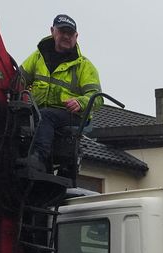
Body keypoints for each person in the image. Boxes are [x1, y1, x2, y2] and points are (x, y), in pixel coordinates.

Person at [19, 14, 101, 174]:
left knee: (46, 116)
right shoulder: (37, 57)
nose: (66, 36)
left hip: (72, 115)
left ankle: (38, 158)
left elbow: (96, 98)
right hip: (38, 111)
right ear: (52, 31)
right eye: (62, 31)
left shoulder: (84, 66)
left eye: (70, 33)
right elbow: (18, 79)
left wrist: (80, 102)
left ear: (76, 37)